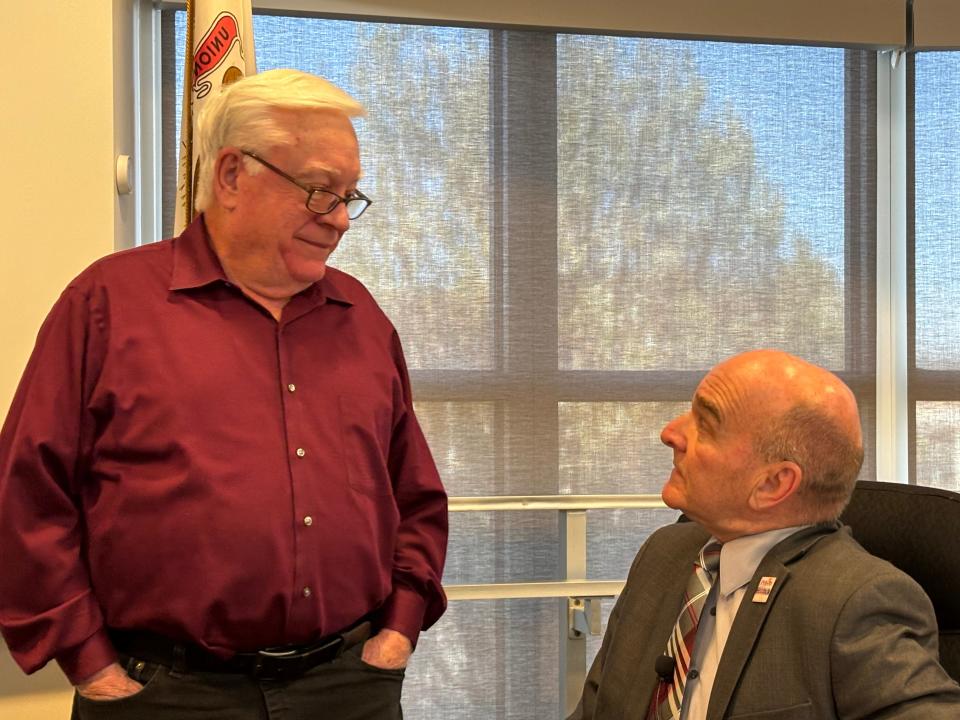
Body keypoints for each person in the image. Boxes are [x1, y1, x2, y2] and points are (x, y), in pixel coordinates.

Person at [0, 69, 448, 719]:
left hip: (347, 686)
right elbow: (26, 493)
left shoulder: (362, 317)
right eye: (322, 192)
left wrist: (399, 628)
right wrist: (89, 662)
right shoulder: (107, 305)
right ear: (233, 175)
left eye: (352, 196)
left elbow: (414, 492)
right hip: (168, 693)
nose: (343, 220)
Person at [570, 349, 960, 719]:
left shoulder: (858, 602)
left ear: (773, 484)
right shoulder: (663, 554)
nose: (670, 432)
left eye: (705, 424)